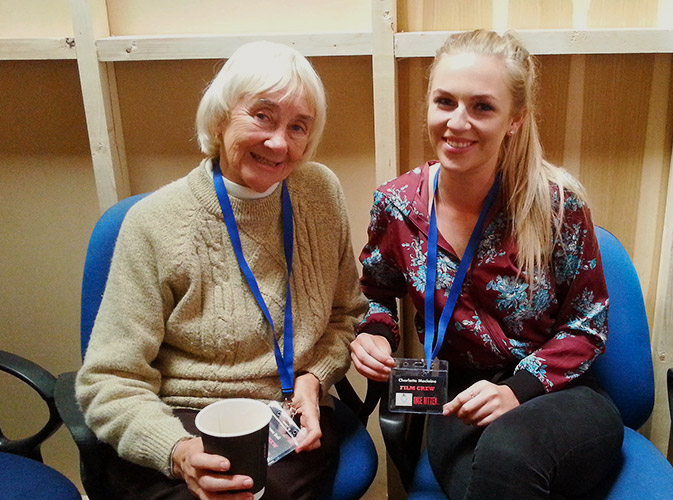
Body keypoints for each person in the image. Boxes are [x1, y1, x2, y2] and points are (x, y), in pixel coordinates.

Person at [76, 40, 366, 500]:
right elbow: (108, 380)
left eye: (298, 127)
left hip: (286, 407)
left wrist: (314, 381)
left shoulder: (319, 193)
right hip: (179, 416)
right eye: (262, 116)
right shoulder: (156, 223)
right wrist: (176, 449)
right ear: (218, 118)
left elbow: (345, 314)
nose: (279, 142)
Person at [350, 29, 624, 499]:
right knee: (502, 473)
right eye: (445, 102)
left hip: (558, 395)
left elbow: (586, 325)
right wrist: (375, 333)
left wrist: (517, 390)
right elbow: (375, 292)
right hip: (458, 397)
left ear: (515, 120)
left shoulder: (557, 205)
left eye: (482, 107)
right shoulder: (396, 205)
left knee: (511, 457)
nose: (457, 123)